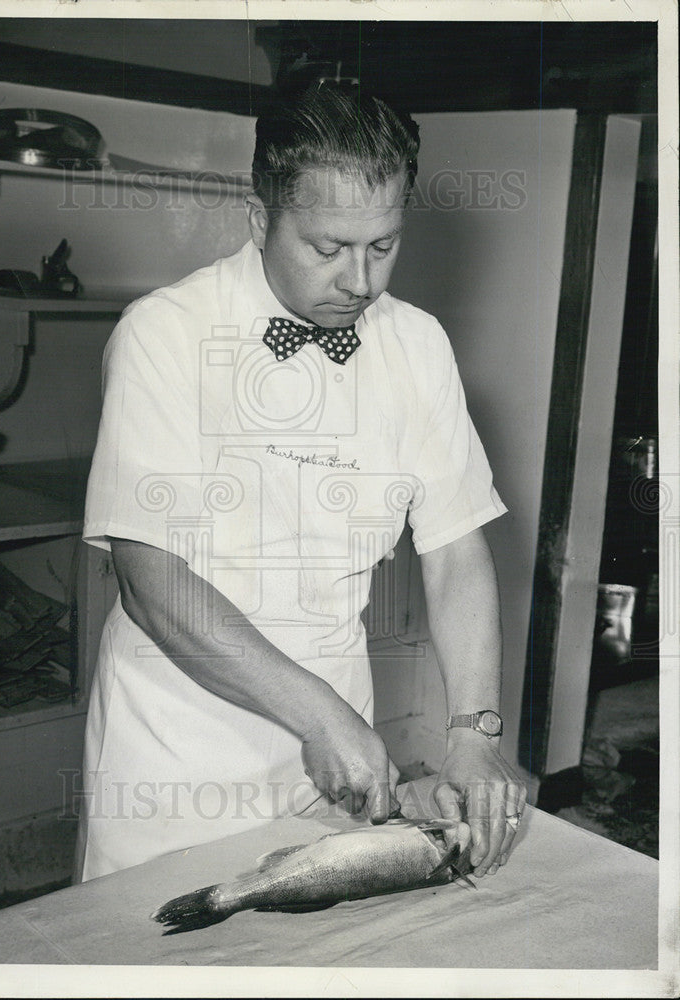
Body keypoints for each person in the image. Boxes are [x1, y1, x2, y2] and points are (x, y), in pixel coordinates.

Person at [74, 83, 526, 885]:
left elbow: (455, 550)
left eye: (382, 246)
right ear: (259, 222)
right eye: (327, 249)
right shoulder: (165, 334)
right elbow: (151, 579)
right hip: (178, 745)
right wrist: (319, 713)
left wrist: (474, 734)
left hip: (338, 749)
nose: (360, 281)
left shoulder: (416, 345)